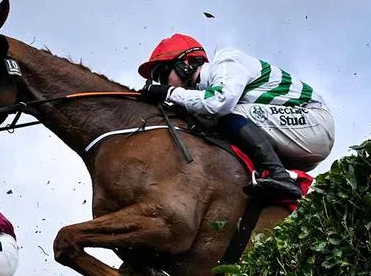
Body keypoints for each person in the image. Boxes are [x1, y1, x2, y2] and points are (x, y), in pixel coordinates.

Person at [136, 34, 335, 202]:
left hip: (314, 122)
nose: (163, 83)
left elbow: (220, 102)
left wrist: (169, 93)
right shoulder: (204, 92)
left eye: (163, 76)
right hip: (295, 134)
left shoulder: (226, 61)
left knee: (226, 113)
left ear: (185, 64)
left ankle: (280, 176)